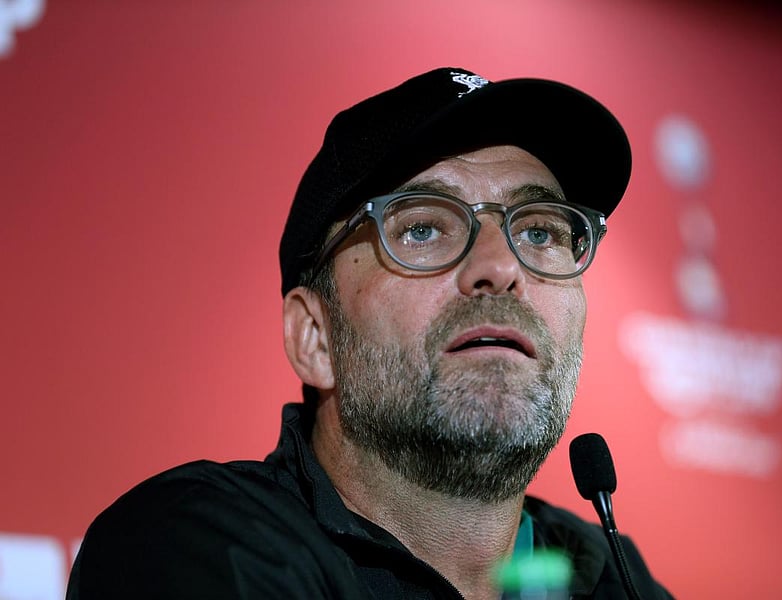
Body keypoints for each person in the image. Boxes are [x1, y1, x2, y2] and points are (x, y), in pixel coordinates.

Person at [66, 67, 675, 600]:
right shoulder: (197, 545)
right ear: (315, 337)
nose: (501, 266)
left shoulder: (615, 580)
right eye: (421, 230)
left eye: (541, 232)